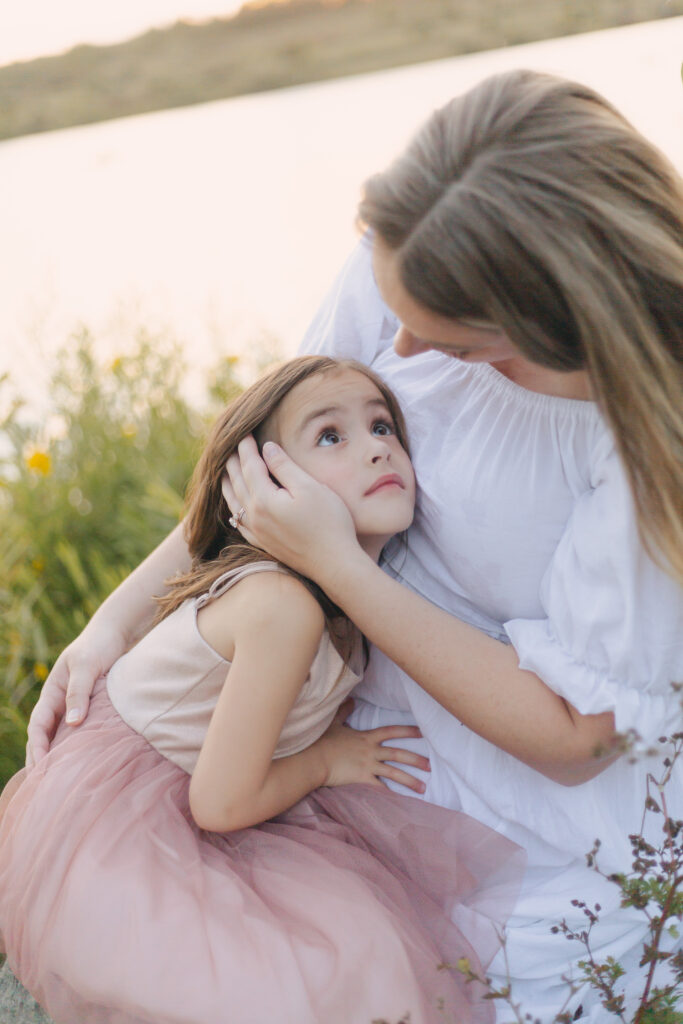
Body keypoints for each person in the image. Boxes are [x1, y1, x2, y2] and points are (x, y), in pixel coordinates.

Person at [22, 69, 683, 1020]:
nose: (400, 352)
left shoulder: (642, 444)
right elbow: (264, 477)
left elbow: (576, 738)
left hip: (525, 804)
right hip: (323, 730)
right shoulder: (411, 255)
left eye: (454, 346)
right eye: (392, 307)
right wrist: (109, 624)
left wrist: (336, 568)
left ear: (552, 322)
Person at [0, 356, 525, 1024]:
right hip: (125, 822)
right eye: (330, 436)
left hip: (207, 790)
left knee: (363, 946)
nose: (374, 449)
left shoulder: (333, 598)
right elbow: (219, 803)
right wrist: (328, 759)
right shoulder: (283, 605)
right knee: (299, 978)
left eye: (382, 425)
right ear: (265, 480)